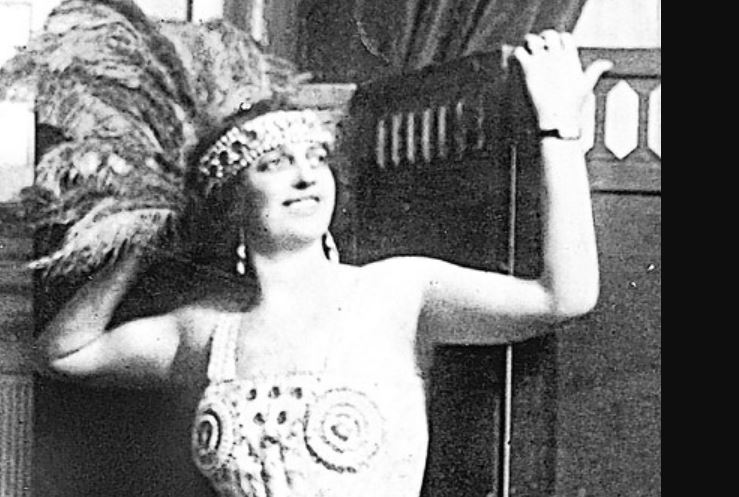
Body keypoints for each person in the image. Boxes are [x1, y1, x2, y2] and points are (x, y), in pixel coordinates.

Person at [37, 29, 611, 497]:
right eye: (274, 164)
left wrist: (559, 136)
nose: (306, 176)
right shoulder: (208, 331)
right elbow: (65, 353)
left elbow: (564, 296)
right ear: (234, 200)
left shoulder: (397, 290)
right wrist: (145, 233)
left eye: (315, 158)